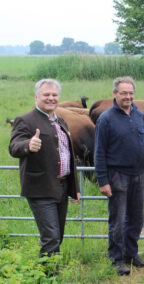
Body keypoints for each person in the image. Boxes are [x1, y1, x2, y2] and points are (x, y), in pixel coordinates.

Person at [94, 76, 144, 276]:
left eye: (131, 93)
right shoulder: (106, 119)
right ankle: (116, 259)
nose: (128, 96)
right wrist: (103, 181)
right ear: (115, 93)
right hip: (117, 176)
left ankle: (131, 254)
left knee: (137, 218)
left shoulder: (139, 115)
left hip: (138, 175)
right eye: (123, 93)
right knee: (118, 219)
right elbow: (99, 152)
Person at [9, 78, 80, 260]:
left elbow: (68, 156)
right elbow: (14, 146)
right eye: (46, 95)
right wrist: (27, 144)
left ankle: (46, 273)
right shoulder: (25, 121)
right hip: (40, 188)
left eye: (54, 95)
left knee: (58, 236)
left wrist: (74, 188)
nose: (51, 98)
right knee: (51, 238)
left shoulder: (61, 122)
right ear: (36, 97)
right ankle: (50, 276)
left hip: (62, 188)